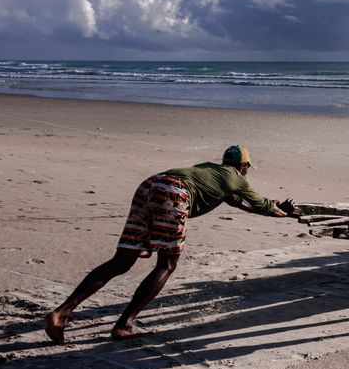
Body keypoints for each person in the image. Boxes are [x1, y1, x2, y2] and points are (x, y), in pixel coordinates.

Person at [44, 145, 296, 342]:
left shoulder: (210, 171)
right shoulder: (235, 177)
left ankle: (61, 313)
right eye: (247, 167)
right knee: (166, 265)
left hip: (151, 184)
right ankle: (125, 324)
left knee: (121, 261)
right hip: (175, 193)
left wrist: (273, 209)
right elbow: (261, 204)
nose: (246, 171)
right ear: (242, 166)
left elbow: (239, 204)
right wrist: (282, 211)